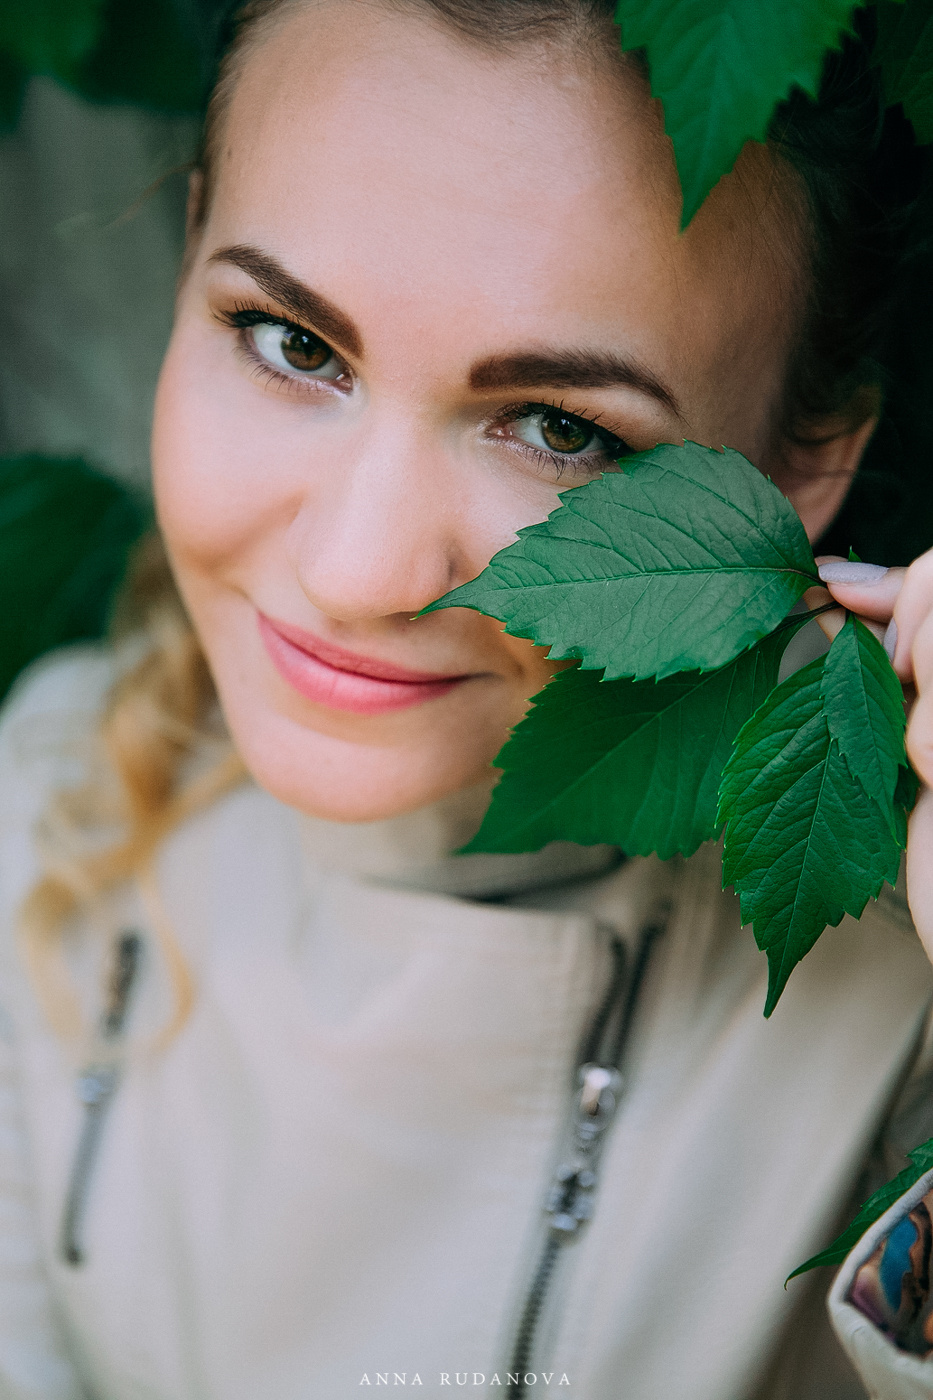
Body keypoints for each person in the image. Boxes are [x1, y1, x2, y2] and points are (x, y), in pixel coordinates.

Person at [2, 0, 933, 1395]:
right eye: (291, 343)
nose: (359, 569)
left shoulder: (886, 986)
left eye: (562, 432)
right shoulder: (47, 792)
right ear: (186, 247)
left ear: (804, 467)